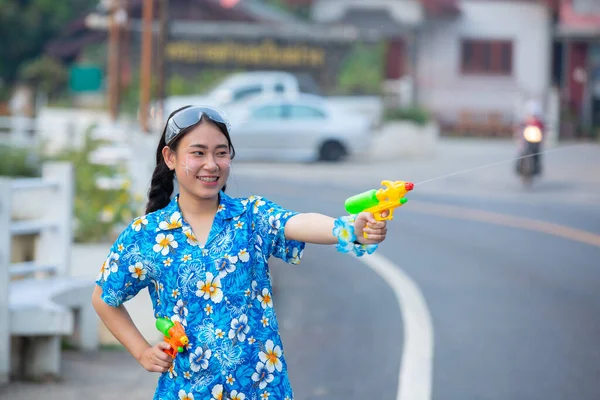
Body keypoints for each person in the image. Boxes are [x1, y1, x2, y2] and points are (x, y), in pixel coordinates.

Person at [92, 105, 389, 400]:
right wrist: (143, 352)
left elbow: (297, 222)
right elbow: (105, 298)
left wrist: (348, 229)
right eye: (198, 153)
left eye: (221, 153)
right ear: (170, 158)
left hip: (261, 391)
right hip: (184, 393)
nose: (211, 164)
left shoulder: (251, 216)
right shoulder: (147, 234)